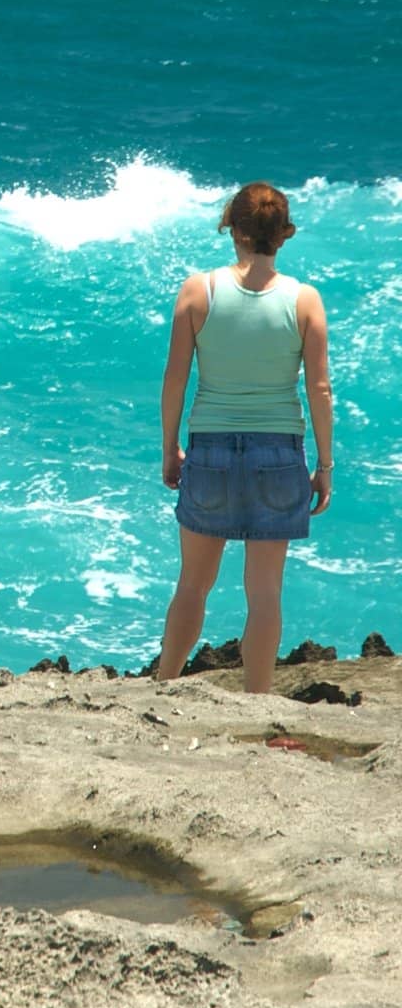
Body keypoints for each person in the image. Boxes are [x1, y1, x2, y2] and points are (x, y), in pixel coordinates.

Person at [156, 182, 333, 694]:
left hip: (210, 448)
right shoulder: (304, 301)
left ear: (231, 229)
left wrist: (170, 448)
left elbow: (175, 378)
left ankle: (166, 685)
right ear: (285, 235)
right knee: (264, 594)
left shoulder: (198, 291)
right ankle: (256, 699)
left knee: (193, 583)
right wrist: (324, 466)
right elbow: (319, 389)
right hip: (279, 454)